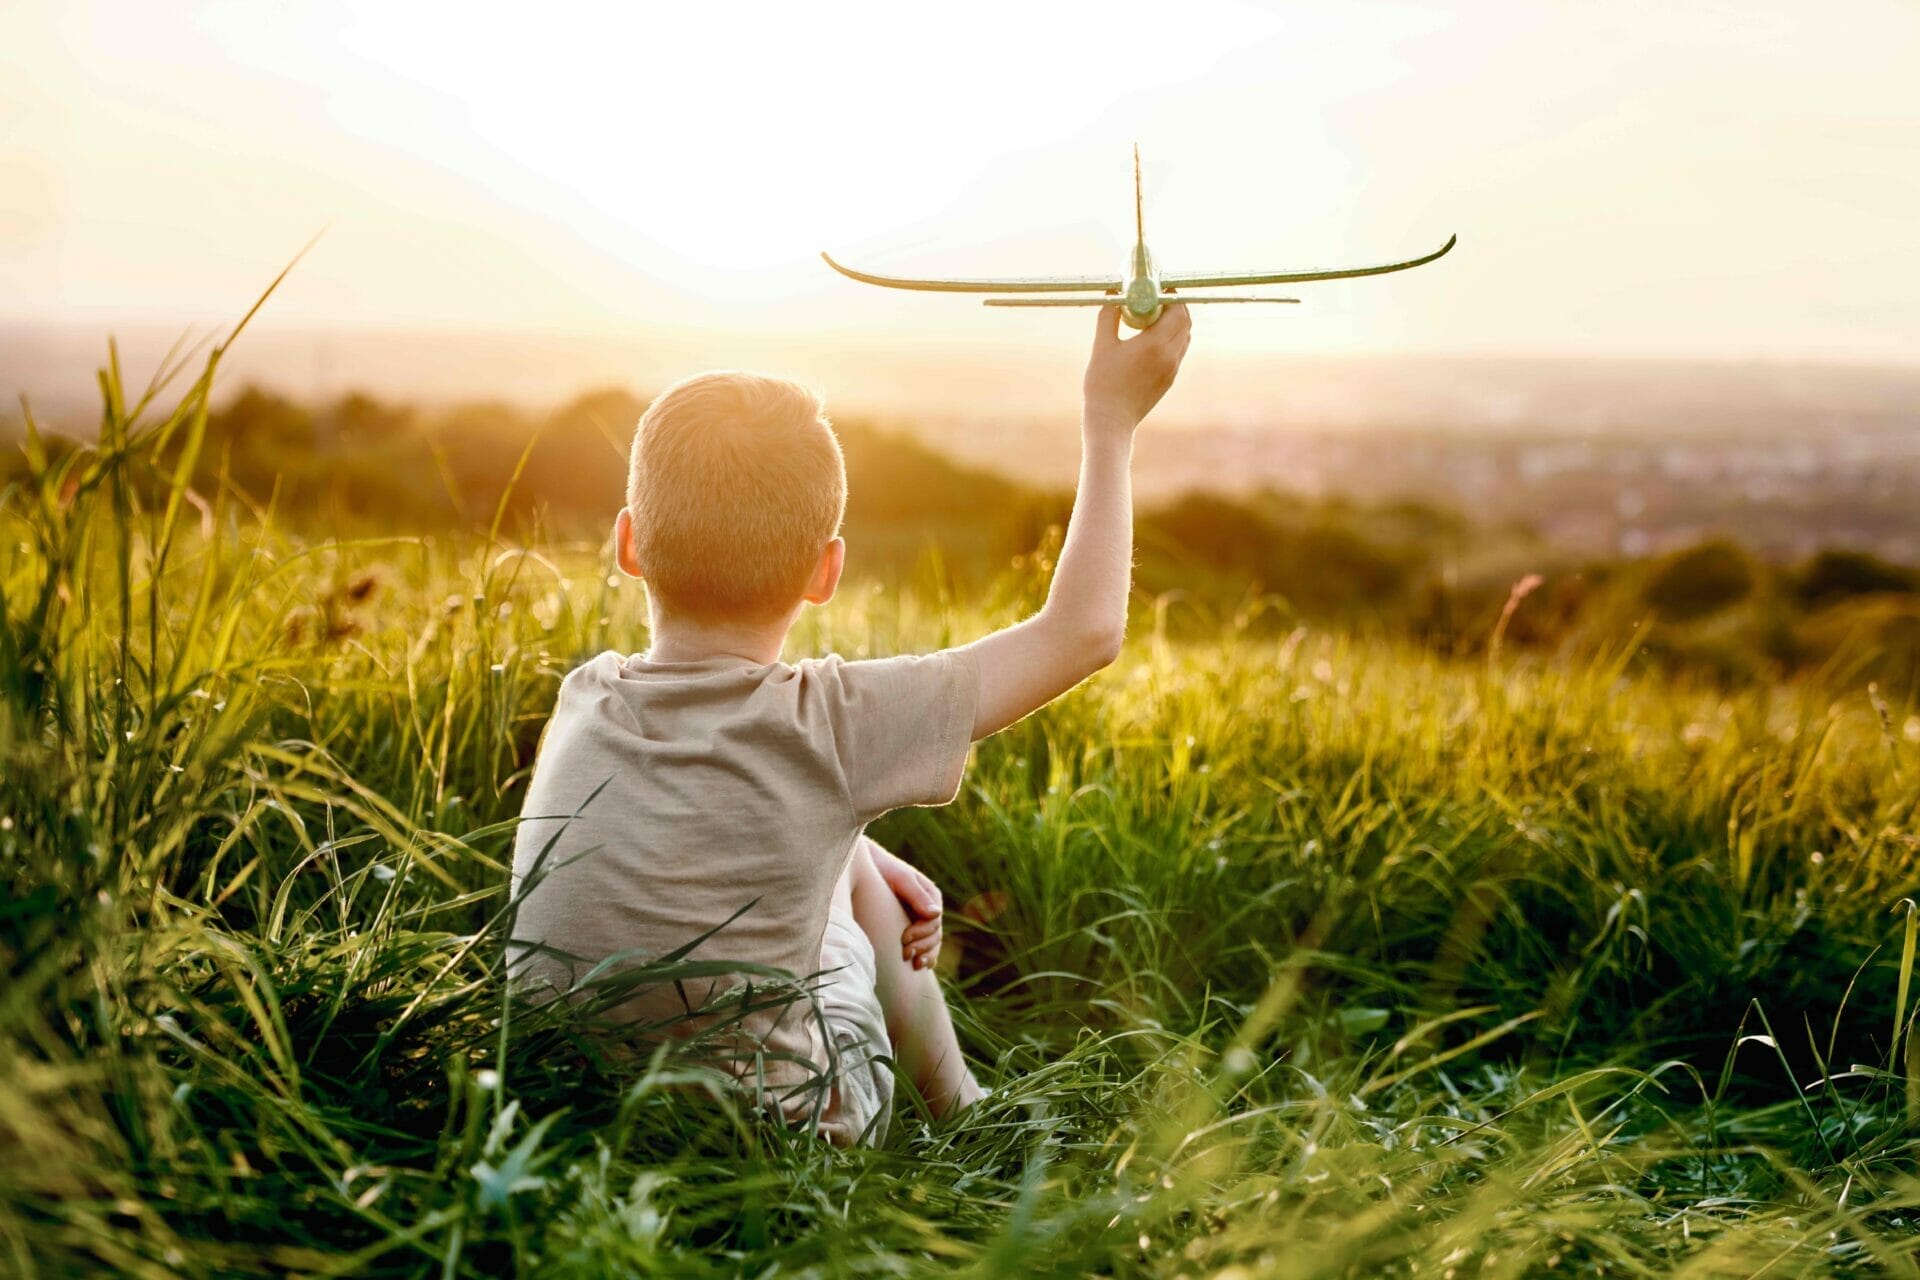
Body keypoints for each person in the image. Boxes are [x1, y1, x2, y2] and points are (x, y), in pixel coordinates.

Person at [508, 301, 1192, 1144]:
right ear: (826, 570)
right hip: (774, 1145)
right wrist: (1111, 421)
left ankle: (876, 911)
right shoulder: (830, 725)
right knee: (857, 878)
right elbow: (1083, 632)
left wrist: (853, 844)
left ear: (628, 545)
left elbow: (719, 797)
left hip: (560, 1114)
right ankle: (967, 1117)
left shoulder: (586, 695)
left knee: (848, 852)